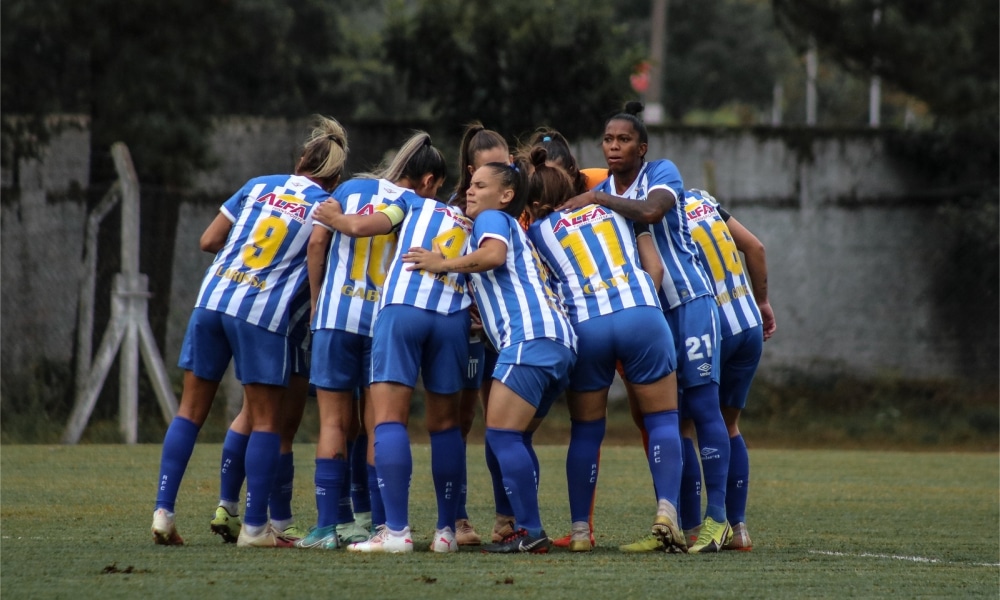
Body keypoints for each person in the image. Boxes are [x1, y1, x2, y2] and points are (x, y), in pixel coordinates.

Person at [151, 115, 348, 548]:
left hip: (213, 300)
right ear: (334, 177)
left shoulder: (259, 184)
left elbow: (208, 240)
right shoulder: (327, 207)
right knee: (266, 422)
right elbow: (317, 247)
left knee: (189, 412)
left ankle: (163, 513)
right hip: (264, 313)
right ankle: (256, 528)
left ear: (301, 160)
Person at [557, 102, 733, 553]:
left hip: (688, 301)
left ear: (643, 147)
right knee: (661, 419)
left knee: (703, 406)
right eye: (608, 140)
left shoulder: (660, 173)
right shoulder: (601, 183)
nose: (614, 147)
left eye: (624, 140)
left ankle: (721, 521)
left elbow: (653, 212)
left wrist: (596, 198)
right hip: (646, 311)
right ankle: (674, 523)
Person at [403, 159, 577, 554]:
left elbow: (494, 257)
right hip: (556, 341)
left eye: (480, 185)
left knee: (501, 433)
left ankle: (529, 531)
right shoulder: (510, 227)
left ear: (506, 195)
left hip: (530, 340)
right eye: (470, 184)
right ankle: (524, 528)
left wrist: (441, 264)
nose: (470, 191)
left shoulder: (492, 220)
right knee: (518, 436)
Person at [524, 147, 687, 553]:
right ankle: (667, 510)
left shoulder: (536, 233)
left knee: (586, 430)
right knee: (663, 420)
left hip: (587, 326)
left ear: (534, 202)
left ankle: (580, 532)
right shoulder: (619, 211)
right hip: (640, 315)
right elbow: (656, 270)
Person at [313, 131, 470, 554]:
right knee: (446, 427)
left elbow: (365, 226)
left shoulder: (409, 200)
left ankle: (395, 531)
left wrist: (334, 217)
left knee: (387, 422)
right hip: (453, 318)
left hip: (401, 309)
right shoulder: (476, 222)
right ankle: (445, 532)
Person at [295, 143, 410, 550]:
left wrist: (316, 300)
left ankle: (328, 527)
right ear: (427, 179)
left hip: (334, 317)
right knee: (379, 426)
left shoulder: (345, 191)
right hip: (382, 321)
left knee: (333, 424)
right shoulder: (413, 203)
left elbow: (315, 245)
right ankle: (381, 526)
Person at [677, 188, 775, 551]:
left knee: (684, 424)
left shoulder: (654, 213)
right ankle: (739, 528)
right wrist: (762, 301)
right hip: (748, 323)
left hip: (709, 329)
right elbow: (756, 248)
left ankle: (690, 528)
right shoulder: (701, 198)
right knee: (729, 423)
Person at [448, 122, 514, 546]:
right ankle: (456, 518)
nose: (503, 174)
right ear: (472, 171)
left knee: (503, 423)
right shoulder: (456, 209)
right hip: (469, 330)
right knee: (461, 421)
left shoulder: (512, 208)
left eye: (507, 166)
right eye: (492, 167)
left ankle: (507, 518)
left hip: (503, 332)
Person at [209, 289, 312, 544]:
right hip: (292, 315)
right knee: (280, 426)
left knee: (251, 412)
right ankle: (279, 522)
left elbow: (209, 245)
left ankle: (227, 507)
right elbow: (317, 248)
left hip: (251, 306)